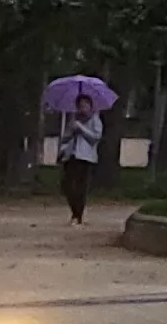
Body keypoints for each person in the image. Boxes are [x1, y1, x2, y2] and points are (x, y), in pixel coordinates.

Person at [41, 67, 115, 224]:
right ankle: (74, 211)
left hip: (86, 156)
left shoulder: (95, 120)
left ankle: (78, 215)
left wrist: (81, 128)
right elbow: (65, 138)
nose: (83, 107)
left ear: (90, 106)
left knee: (81, 187)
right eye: (80, 104)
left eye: (86, 105)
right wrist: (71, 130)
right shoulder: (73, 119)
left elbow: (95, 137)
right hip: (71, 155)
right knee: (67, 185)